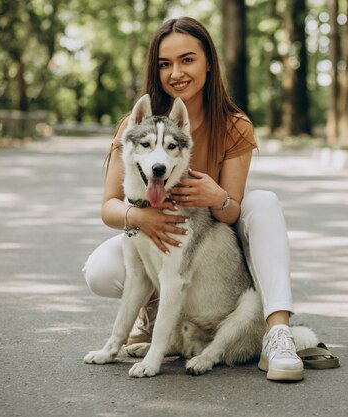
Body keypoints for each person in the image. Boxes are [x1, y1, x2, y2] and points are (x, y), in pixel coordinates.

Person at [83, 16, 303, 381]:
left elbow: (233, 211)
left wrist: (215, 197)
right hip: (148, 223)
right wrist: (140, 218)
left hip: (214, 237)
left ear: (209, 63)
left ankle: (279, 331)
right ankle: (157, 319)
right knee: (102, 270)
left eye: (187, 60)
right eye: (165, 64)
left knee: (263, 202)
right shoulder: (135, 126)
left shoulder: (234, 125)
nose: (176, 73)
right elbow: (109, 206)